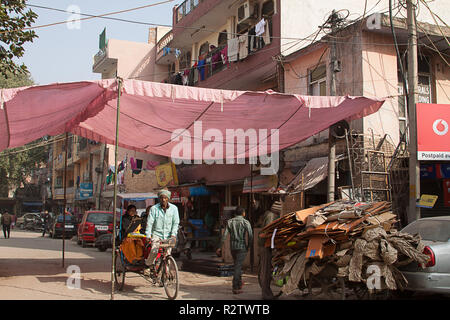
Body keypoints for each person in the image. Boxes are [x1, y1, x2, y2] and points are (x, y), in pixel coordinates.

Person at [216, 207, 253, 294]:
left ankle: (239, 283)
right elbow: (251, 235)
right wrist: (249, 246)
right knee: (238, 267)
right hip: (242, 247)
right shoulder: (245, 222)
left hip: (233, 247)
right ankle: (235, 287)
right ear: (243, 213)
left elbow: (224, 236)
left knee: (237, 265)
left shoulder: (230, 222)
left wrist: (220, 247)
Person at [145, 189, 180, 269]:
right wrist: (148, 235)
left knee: (167, 255)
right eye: (161, 198)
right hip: (157, 235)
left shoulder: (174, 209)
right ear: (159, 199)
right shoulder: (154, 209)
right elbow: (150, 223)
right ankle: (148, 265)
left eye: (165, 198)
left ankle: (166, 275)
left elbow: (175, 223)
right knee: (154, 250)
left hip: (169, 236)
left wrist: (173, 235)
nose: (163, 200)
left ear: (168, 198)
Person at [258, 200, 282, 300]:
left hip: (265, 245)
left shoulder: (269, 215)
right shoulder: (271, 216)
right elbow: (268, 231)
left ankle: (266, 293)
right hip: (265, 246)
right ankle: (266, 294)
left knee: (265, 270)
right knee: (265, 271)